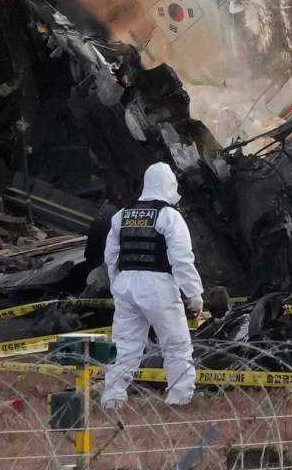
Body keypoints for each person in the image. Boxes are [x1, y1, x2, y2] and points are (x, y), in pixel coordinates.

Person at [101, 163, 205, 410]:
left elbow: (111, 257)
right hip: (158, 285)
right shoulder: (169, 216)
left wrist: (117, 286)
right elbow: (181, 259)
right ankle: (179, 398)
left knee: (124, 346)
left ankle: (111, 398)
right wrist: (194, 293)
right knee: (176, 345)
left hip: (126, 285)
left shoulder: (122, 215)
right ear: (169, 185)